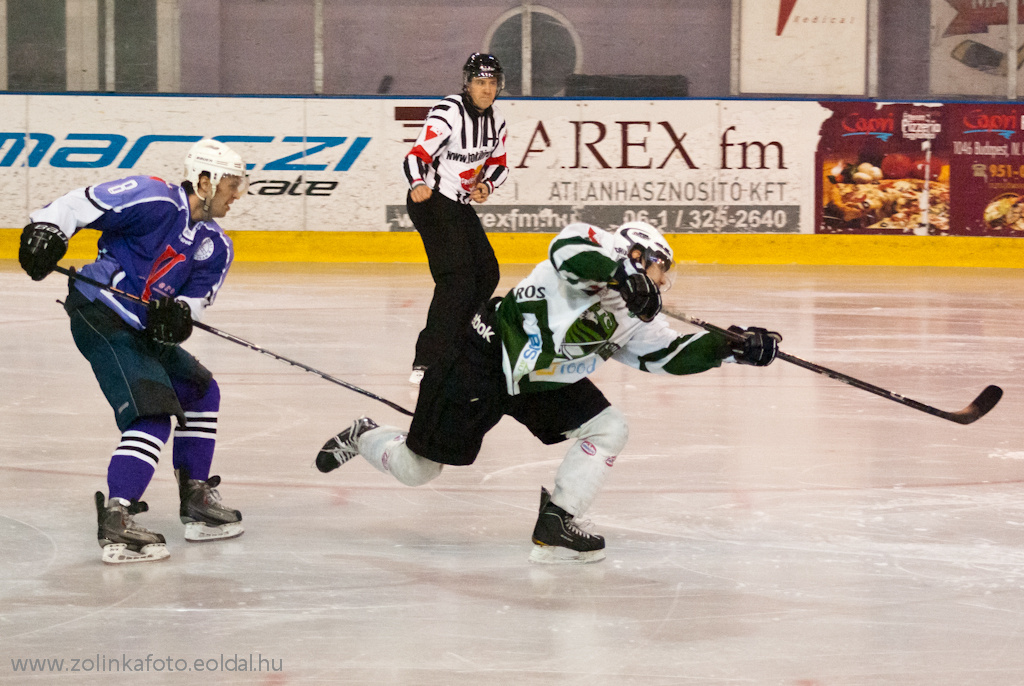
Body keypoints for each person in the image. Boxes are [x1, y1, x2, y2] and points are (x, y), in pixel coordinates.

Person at [316, 221, 781, 564]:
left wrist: (731, 349)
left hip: (540, 381)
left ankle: (559, 517)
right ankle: (365, 435)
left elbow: (667, 355)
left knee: (609, 427)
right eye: (659, 271)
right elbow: (567, 250)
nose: (663, 283)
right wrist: (624, 277)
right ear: (637, 257)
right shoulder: (592, 249)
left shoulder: (634, 314)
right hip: (481, 360)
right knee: (418, 470)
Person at [18, 139, 249, 565]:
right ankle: (117, 517)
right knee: (152, 411)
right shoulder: (155, 197)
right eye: (232, 184)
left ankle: (196, 496)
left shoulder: (216, 246)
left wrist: (178, 316)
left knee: (200, 391)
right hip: (99, 311)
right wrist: (47, 228)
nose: (238, 194)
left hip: (141, 329)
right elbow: (78, 204)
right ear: (205, 180)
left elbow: (191, 305)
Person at [402, 52, 509, 385]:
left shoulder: (497, 121)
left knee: (487, 273)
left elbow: (500, 164)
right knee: (457, 280)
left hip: (459, 204)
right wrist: (418, 182)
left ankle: (461, 346)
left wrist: (487, 185)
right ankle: (428, 361)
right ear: (467, 84)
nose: (487, 90)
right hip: (431, 202)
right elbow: (415, 155)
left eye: (492, 83)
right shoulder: (448, 112)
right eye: (480, 82)